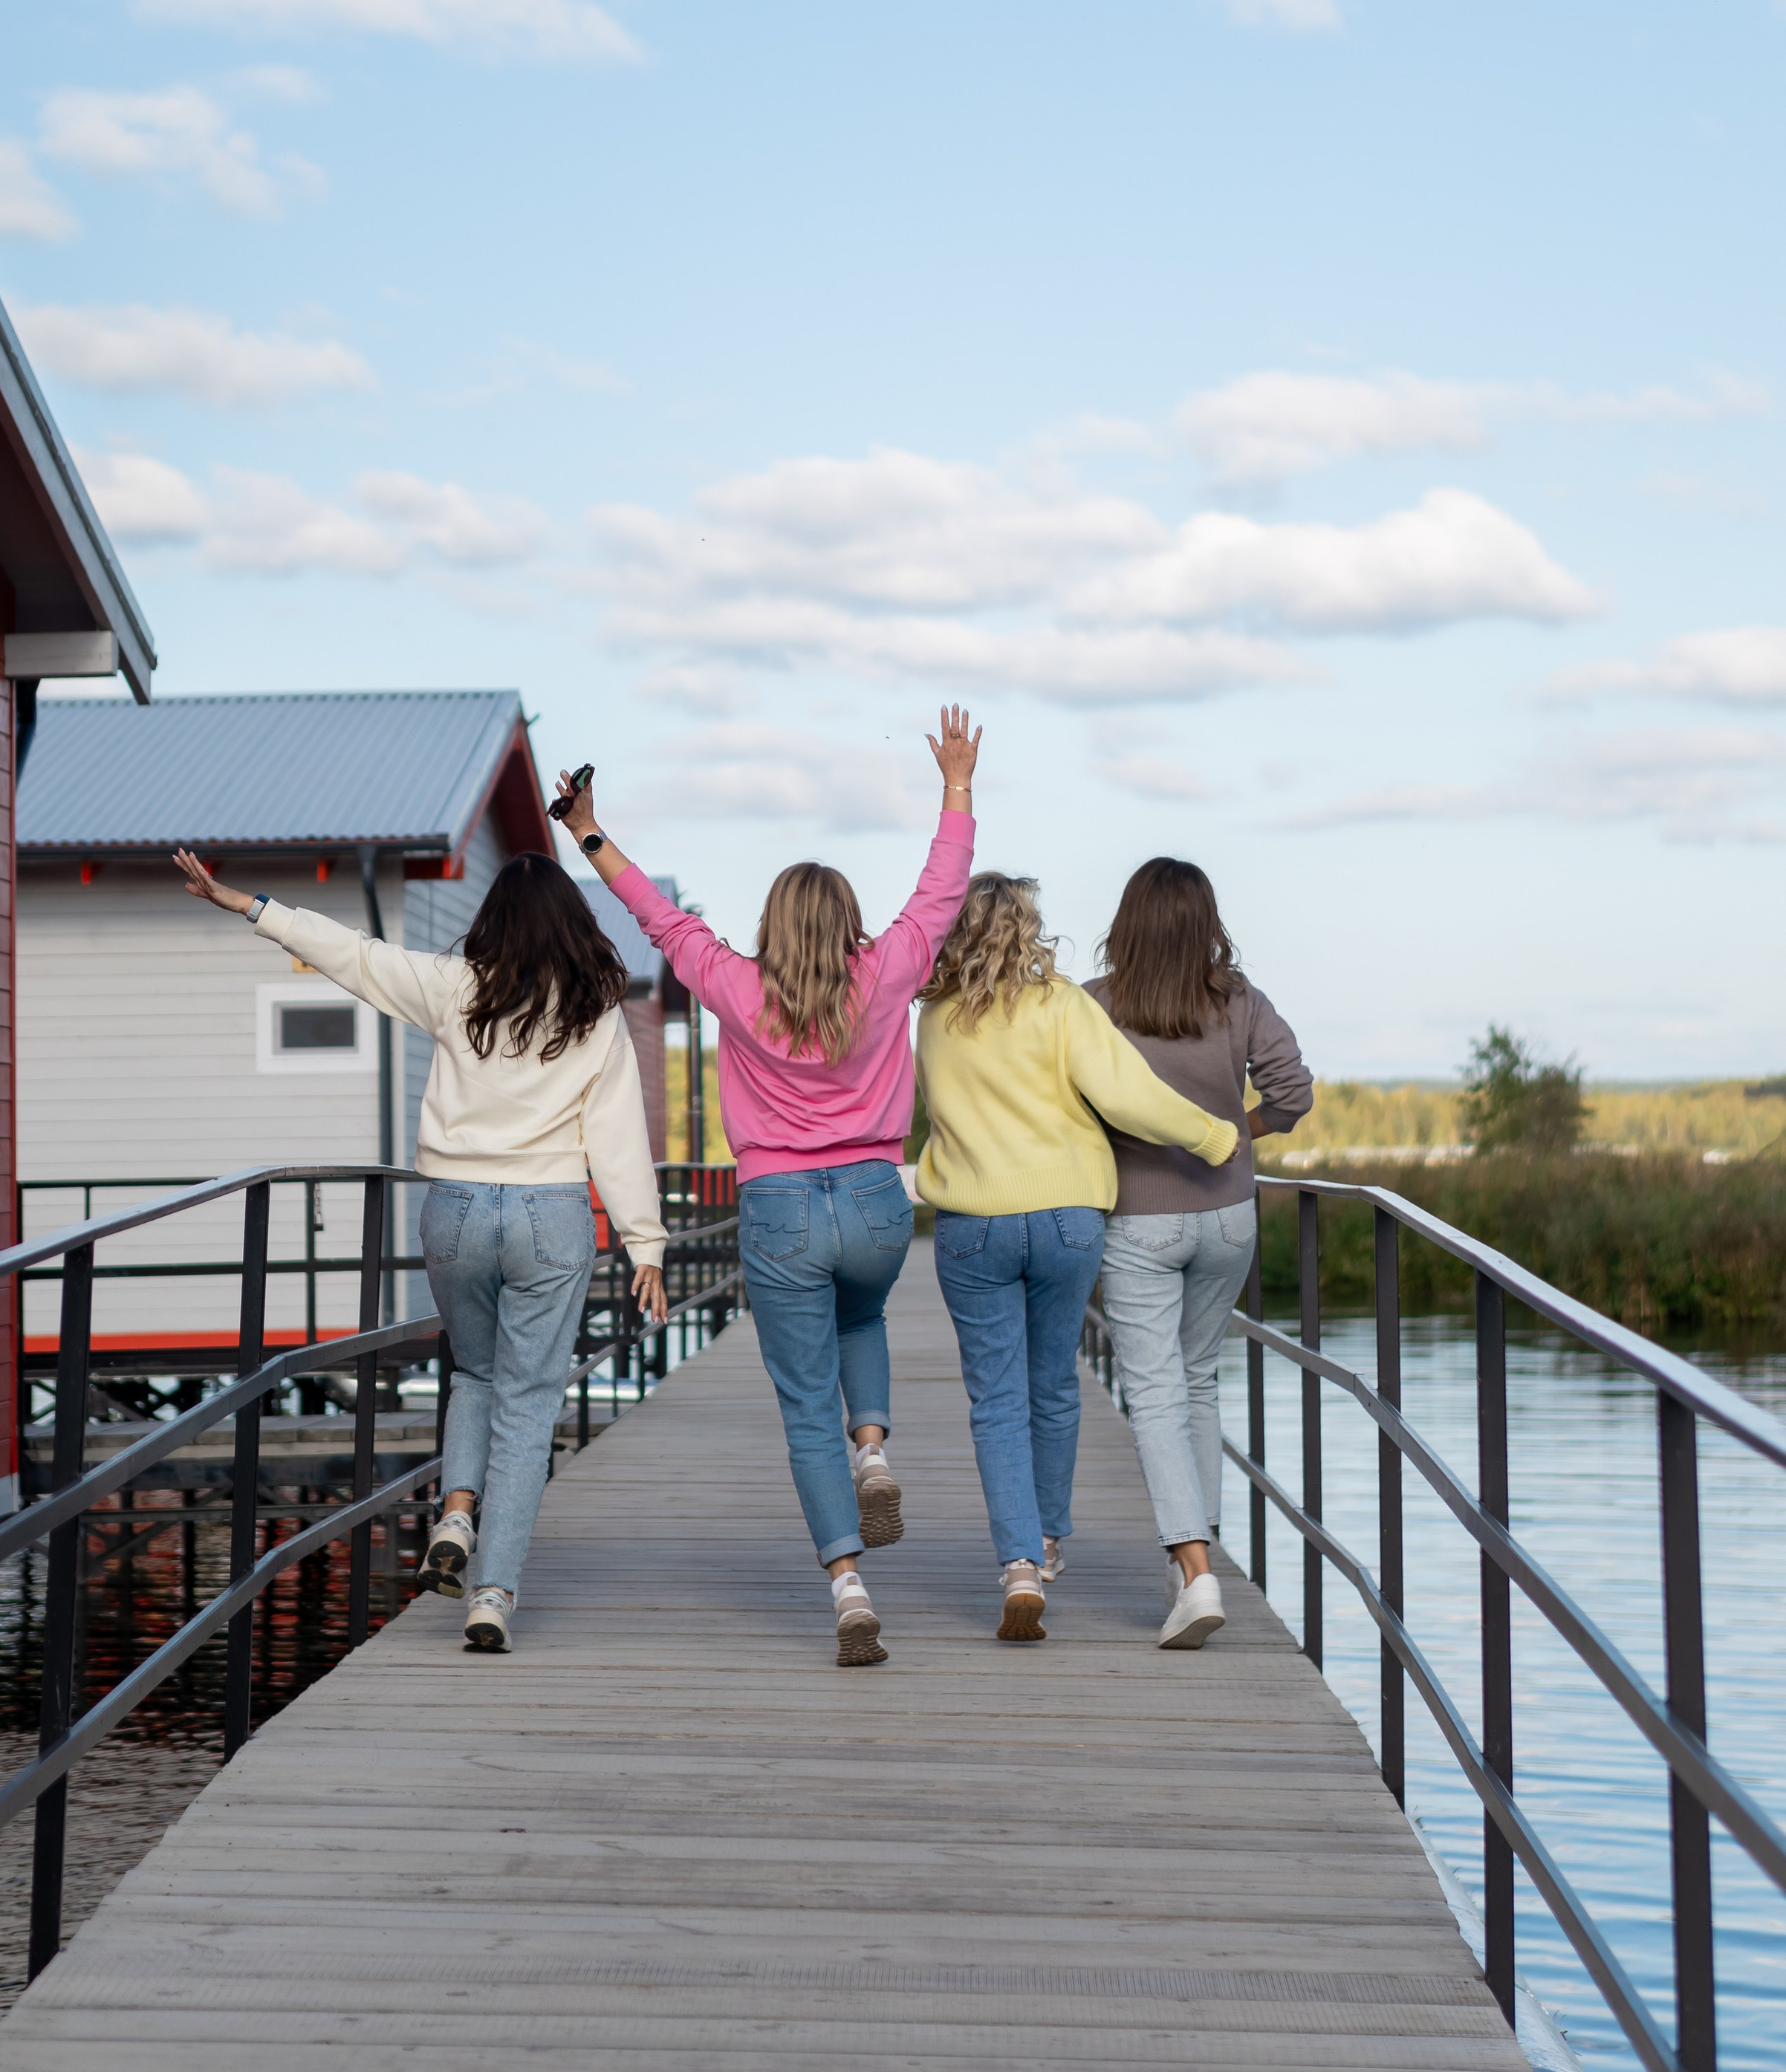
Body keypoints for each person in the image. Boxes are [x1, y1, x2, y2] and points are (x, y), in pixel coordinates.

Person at [555, 706, 981, 1669]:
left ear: (773, 924)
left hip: (781, 1207)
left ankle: (848, 1587)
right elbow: (940, 891)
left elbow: (659, 917)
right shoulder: (889, 970)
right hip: (874, 1198)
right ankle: (874, 1447)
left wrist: (588, 831)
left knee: (802, 1403)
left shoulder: (733, 985)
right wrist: (956, 785)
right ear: (848, 921)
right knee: (862, 1316)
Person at [173, 846, 667, 1655]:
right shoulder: (596, 1012)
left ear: (494, 920)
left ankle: (457, 1513)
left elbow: (355, 957)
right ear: (574, 926)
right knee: (528, 1403)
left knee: (474, 1372)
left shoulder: (456, 987)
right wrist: (645, 1241)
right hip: (550, 1212)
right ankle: (493, 1595)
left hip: (456, 1210)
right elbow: (617, 1138)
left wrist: (251, 906)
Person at [915, 873, 1238, 1642]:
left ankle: (1020, 1566)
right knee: (1055, 1383)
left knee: (997, 1398)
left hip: (973, 1222)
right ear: (1027, 928)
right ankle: (1050, 1536)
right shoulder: (1062, 1004)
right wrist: (1214, 1136)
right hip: (1068, 1219)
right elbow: (1128, 1095)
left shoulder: (933, 1017)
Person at [1085, 857, 1313, 1650]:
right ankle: (1191, 1568)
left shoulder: (1098, 1005)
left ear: (1129, 922)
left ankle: (1194, 1574)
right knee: (1198, 1382)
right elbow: (1292, 1093)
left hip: (1137, 1220)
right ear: (1204, 922)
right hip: (1228, 1217)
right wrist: (1233, 1135)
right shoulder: (1238, 999)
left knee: (1153, 1394)